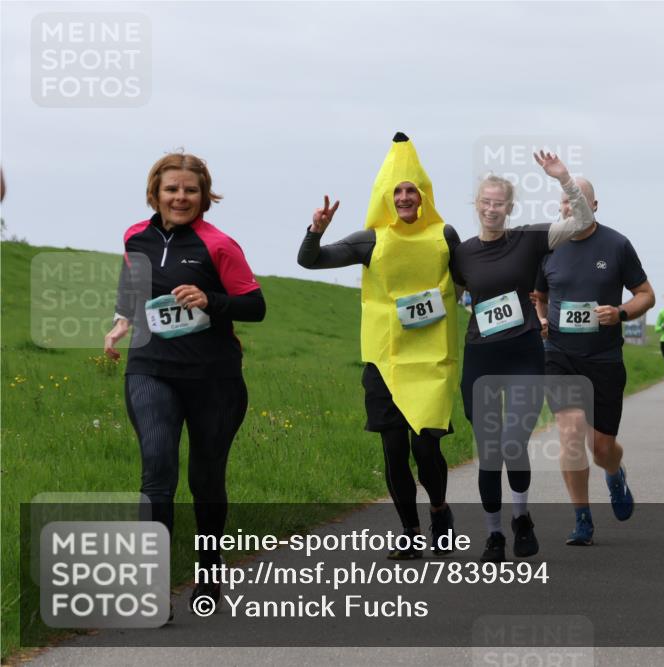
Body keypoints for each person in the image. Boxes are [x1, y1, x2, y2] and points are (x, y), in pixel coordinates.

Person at [104, 153, 266, 614]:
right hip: (151, 367)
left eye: (190, 190)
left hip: (214, 377)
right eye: (171, 189)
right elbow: (132, 288)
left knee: (206, 479)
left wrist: (210, 299)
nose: (180, 197)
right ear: (155, 192)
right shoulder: (135, 236)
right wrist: (120, 322)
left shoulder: (220, 245)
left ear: (204, 196)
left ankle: (209, 569)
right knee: (157, 471)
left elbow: (255, 306)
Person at [297, 132, 460, 560]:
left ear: (424, 195)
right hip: (385, 360)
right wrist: (316, 230)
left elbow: (470, 279)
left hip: (431, 359)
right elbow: (310, 261)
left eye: (412, 190)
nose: (405, 197)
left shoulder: (445, 235)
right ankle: (408, 530)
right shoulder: (370, 239)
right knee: (393, 448)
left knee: (426, 448)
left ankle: (440, 510)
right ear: (386, 198)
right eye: (397, 191)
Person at [453, 152, 594, 562]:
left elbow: (582, 222)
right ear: (477, 205)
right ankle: (494, 534)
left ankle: (521, 518)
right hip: (480, 355)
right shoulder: (462, 253)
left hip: (523, 355)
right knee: (489, 448)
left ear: (509, 208)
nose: (492, 208)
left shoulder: (530, 238)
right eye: (486, 202)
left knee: (514, 442)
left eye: (499, 203)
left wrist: (564, 179)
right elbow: (454, 290)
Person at [534, 178, 655, 546]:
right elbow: (537, 296)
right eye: (565, 201)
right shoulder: (550, 247)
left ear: (594, 205)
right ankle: (582, 518)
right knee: (570, 436)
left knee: (601, 448)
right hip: (560, 356)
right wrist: (539, 318)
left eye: (578, 199)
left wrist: (619, 312)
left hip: (603, 358)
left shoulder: (617, 245)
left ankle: (615, 473)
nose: (571, 205)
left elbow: (645, 295)